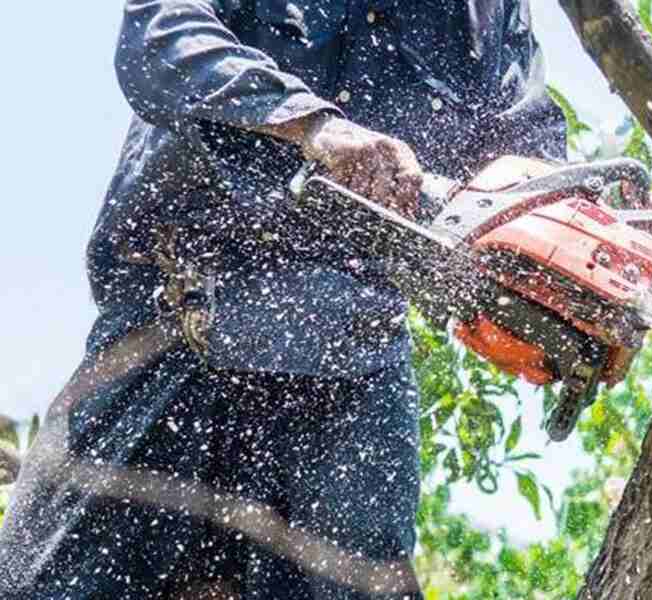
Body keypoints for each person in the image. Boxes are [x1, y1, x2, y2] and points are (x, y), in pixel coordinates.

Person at [0, 1, 565, 598]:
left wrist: (584, 265)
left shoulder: (487, 12)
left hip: (353, 365)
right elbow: (158, 39)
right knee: (42, 585)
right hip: (176, 329)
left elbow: (531, 162)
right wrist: (312, 125)